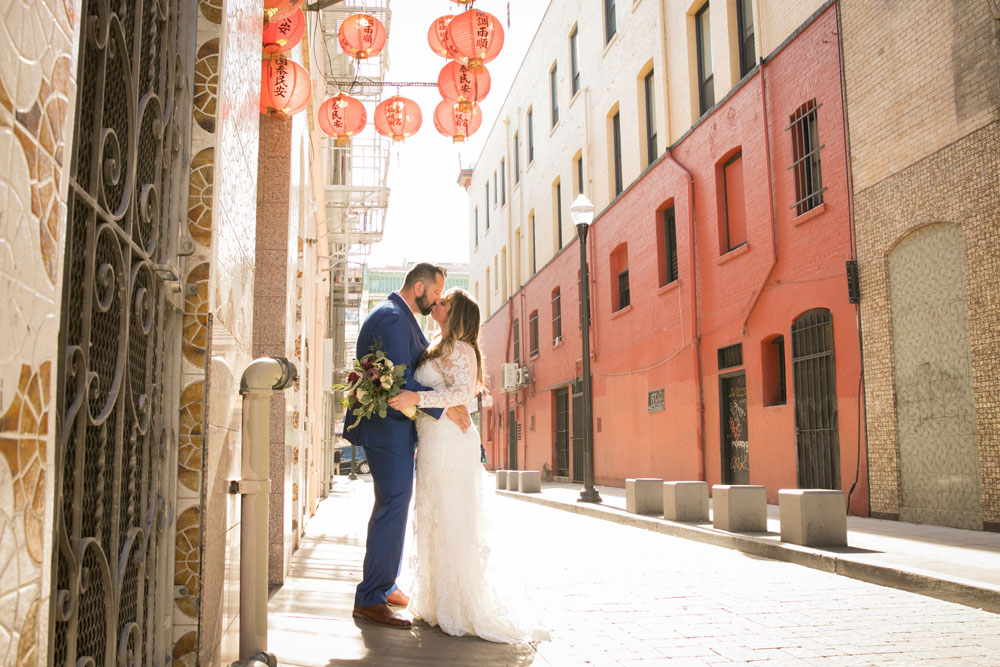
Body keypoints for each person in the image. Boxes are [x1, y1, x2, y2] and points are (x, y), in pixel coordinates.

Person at [388, 289, 548, 644]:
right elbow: (447, 395)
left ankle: (459, 605)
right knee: (433, 513)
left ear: (457, 313)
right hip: (433, 440)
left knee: (452, 515)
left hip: (450, 441)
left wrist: (419, 399)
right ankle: (435, 600)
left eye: (444, 302)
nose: (437, 304)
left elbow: (462, 394)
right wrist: (433, 404)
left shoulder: (460, 349)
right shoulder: (437, 345)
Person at [346, 263, 471, 629]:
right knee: (394, 504)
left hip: (396, 428)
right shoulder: (391, 318)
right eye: (435, 293)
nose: (436, 301)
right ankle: (370, 596)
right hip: (387, 429)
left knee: (394, 505)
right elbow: (399, 381)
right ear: (419, 286)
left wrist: (443, 404)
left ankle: (383, 586)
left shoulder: (399, 316)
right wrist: (445, 406)